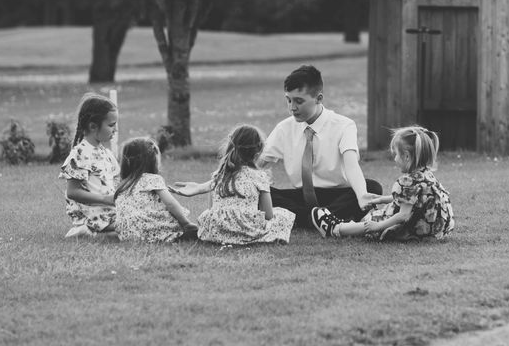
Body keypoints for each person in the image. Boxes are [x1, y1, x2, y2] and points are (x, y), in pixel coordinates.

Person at [258, 64, 383, 228]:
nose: (292, 107)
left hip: (337, 195)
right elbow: (256, 164)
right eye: (288, 100)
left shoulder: (344, 125)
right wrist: (228, 178)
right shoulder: (284, 128)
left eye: (299, 101)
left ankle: (306, 220)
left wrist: (361, 195)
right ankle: (321, 221)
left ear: (319, 98)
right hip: (300, 197)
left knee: (373, 187)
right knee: (256, 191)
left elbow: (351, 165)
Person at [311, 125, 454, 241]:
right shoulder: (426, 175)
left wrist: (378, 226)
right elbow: (413, 200)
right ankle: (348, 224)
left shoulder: (408, 181)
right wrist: (381, 199)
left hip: (416, 230)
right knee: (379, 214)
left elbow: (403, 215)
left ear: (406, 156)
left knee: (373, 220)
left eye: (396, 154)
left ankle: (335, 228)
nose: (395, 159)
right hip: (434, 230)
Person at [169, 124, 295, 245]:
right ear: (257, 154)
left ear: (230, 148)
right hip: (246, 231)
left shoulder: (219, 175)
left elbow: (211, 210)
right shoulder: (260, 176)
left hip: (215, 232)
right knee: (283, 215)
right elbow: (268, 215)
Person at [114, 137, 198, 242]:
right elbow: (171, 203)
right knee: (179, 221)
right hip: (146, 230)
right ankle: (178, 235)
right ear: (152, 160)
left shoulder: (122, 183)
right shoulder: (153, 179)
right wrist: (186, 223)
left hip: (126, 233)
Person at [59, 93, 119, 238]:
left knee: (136, 223)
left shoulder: (106, 154)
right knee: (132, 227)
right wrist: (106, 199)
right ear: (93, 126)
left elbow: (117, 180)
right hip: (93, 215)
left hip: (110, 212)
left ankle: (93, 235)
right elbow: (73, 192)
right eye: (111, 125)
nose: (115, 130)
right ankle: (88, 232)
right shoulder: (79, 155)